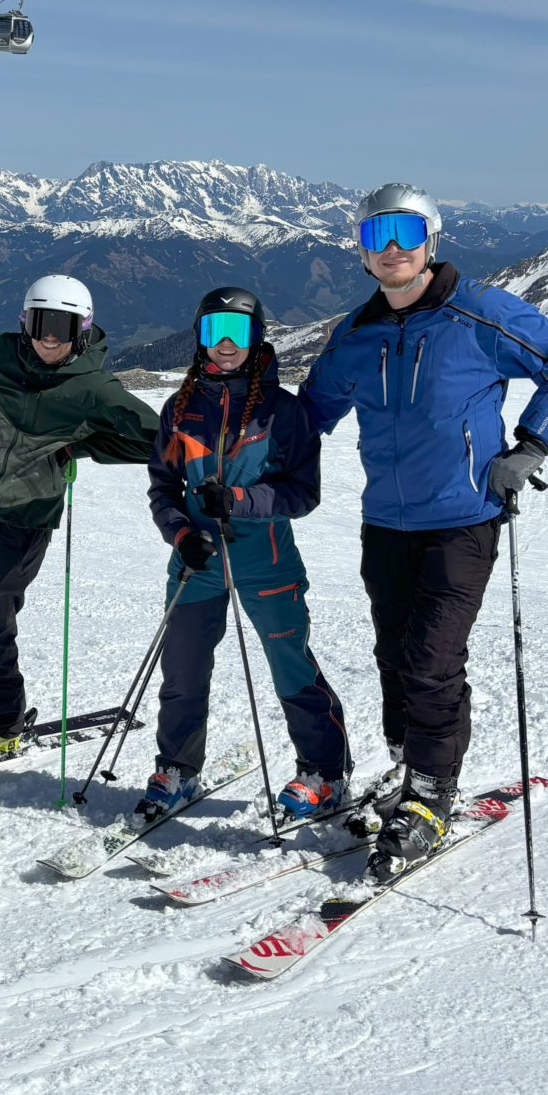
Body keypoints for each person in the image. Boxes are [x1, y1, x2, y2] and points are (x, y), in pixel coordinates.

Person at [300, 184, 548, 873]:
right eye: (375, 235)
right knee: (394, 653)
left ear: (431, 240)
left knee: (432, 659)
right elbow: (309, 413)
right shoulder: (356, 333)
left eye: (405, 233)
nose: (391, 249)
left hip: (463, 519)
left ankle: (432, 794)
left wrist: (531, 446)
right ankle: (410, 762)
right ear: (360, 250)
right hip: (385, 522)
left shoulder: (480, 311)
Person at [0, 275, 161, 759]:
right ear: (24, 322)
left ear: (83, 329)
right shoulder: (4, 353)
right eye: (40, 323)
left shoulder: (94, 388)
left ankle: (0, 723)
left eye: (63, 326)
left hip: (23, 520)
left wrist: (84, 446)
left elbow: (158, 440)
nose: (49, 338)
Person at [142, 287, 350, 825]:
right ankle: (177, 769)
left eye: (238, 331)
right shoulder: (181, 409)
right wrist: (180, 534)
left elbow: (302, 493)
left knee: (290, 667)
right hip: (197, 561)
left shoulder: (284, 412)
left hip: (267, 560)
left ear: (257, 337)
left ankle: (324, 773)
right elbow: (163, 488)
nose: (227, 344)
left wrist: (237, 500)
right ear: (199, 338)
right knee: (183, 669)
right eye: (215, 331)